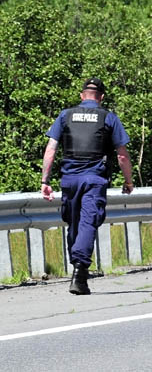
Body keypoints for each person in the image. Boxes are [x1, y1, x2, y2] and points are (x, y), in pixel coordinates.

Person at [41, 77, 134, 295]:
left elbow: (51, 149)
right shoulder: (108, 118)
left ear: (82, 96)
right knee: (87, 223)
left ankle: (78, 269)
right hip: (93, 179)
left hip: (70, 180)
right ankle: (80, 272)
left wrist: (45, 181)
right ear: (101, 97)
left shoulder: (65, 115)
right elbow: (122, 156)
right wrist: (128, 181)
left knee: (74, 224)